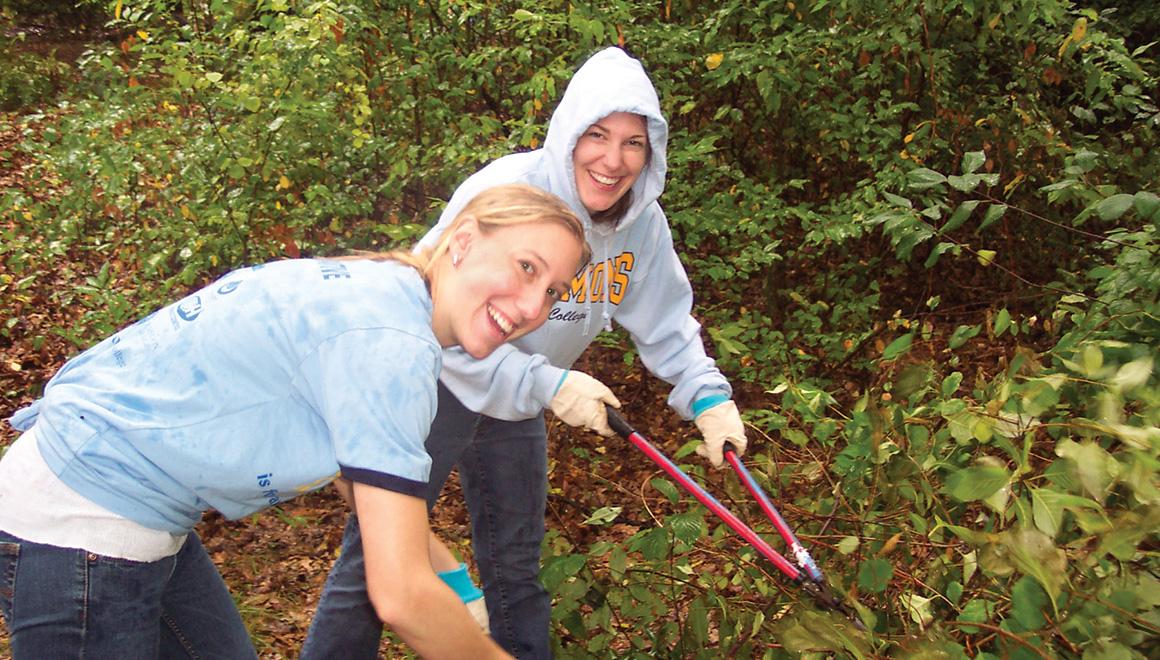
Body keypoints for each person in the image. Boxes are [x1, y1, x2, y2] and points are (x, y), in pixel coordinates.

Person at [0, 184, 588, 659]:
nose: (535, 307)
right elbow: (402, 598)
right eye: (526, 267)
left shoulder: (387, 294)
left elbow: (356, 474)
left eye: (553, 291)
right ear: (461, 241)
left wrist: (450, 575)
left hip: (132, 508)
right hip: (79, 519)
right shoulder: (392, 344)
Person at [302, 46, 750, 658]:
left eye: (633, 143)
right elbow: (429, 306)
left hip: (519, 400)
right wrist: (551, 385)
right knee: (377, 564)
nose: (612, 160)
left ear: (652, 153)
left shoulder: (642, 224)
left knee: (516, 570)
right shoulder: (504, 192)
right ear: (569, 131)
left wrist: (706, 394)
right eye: (597, 135)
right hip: (434, 387)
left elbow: (666, 319)